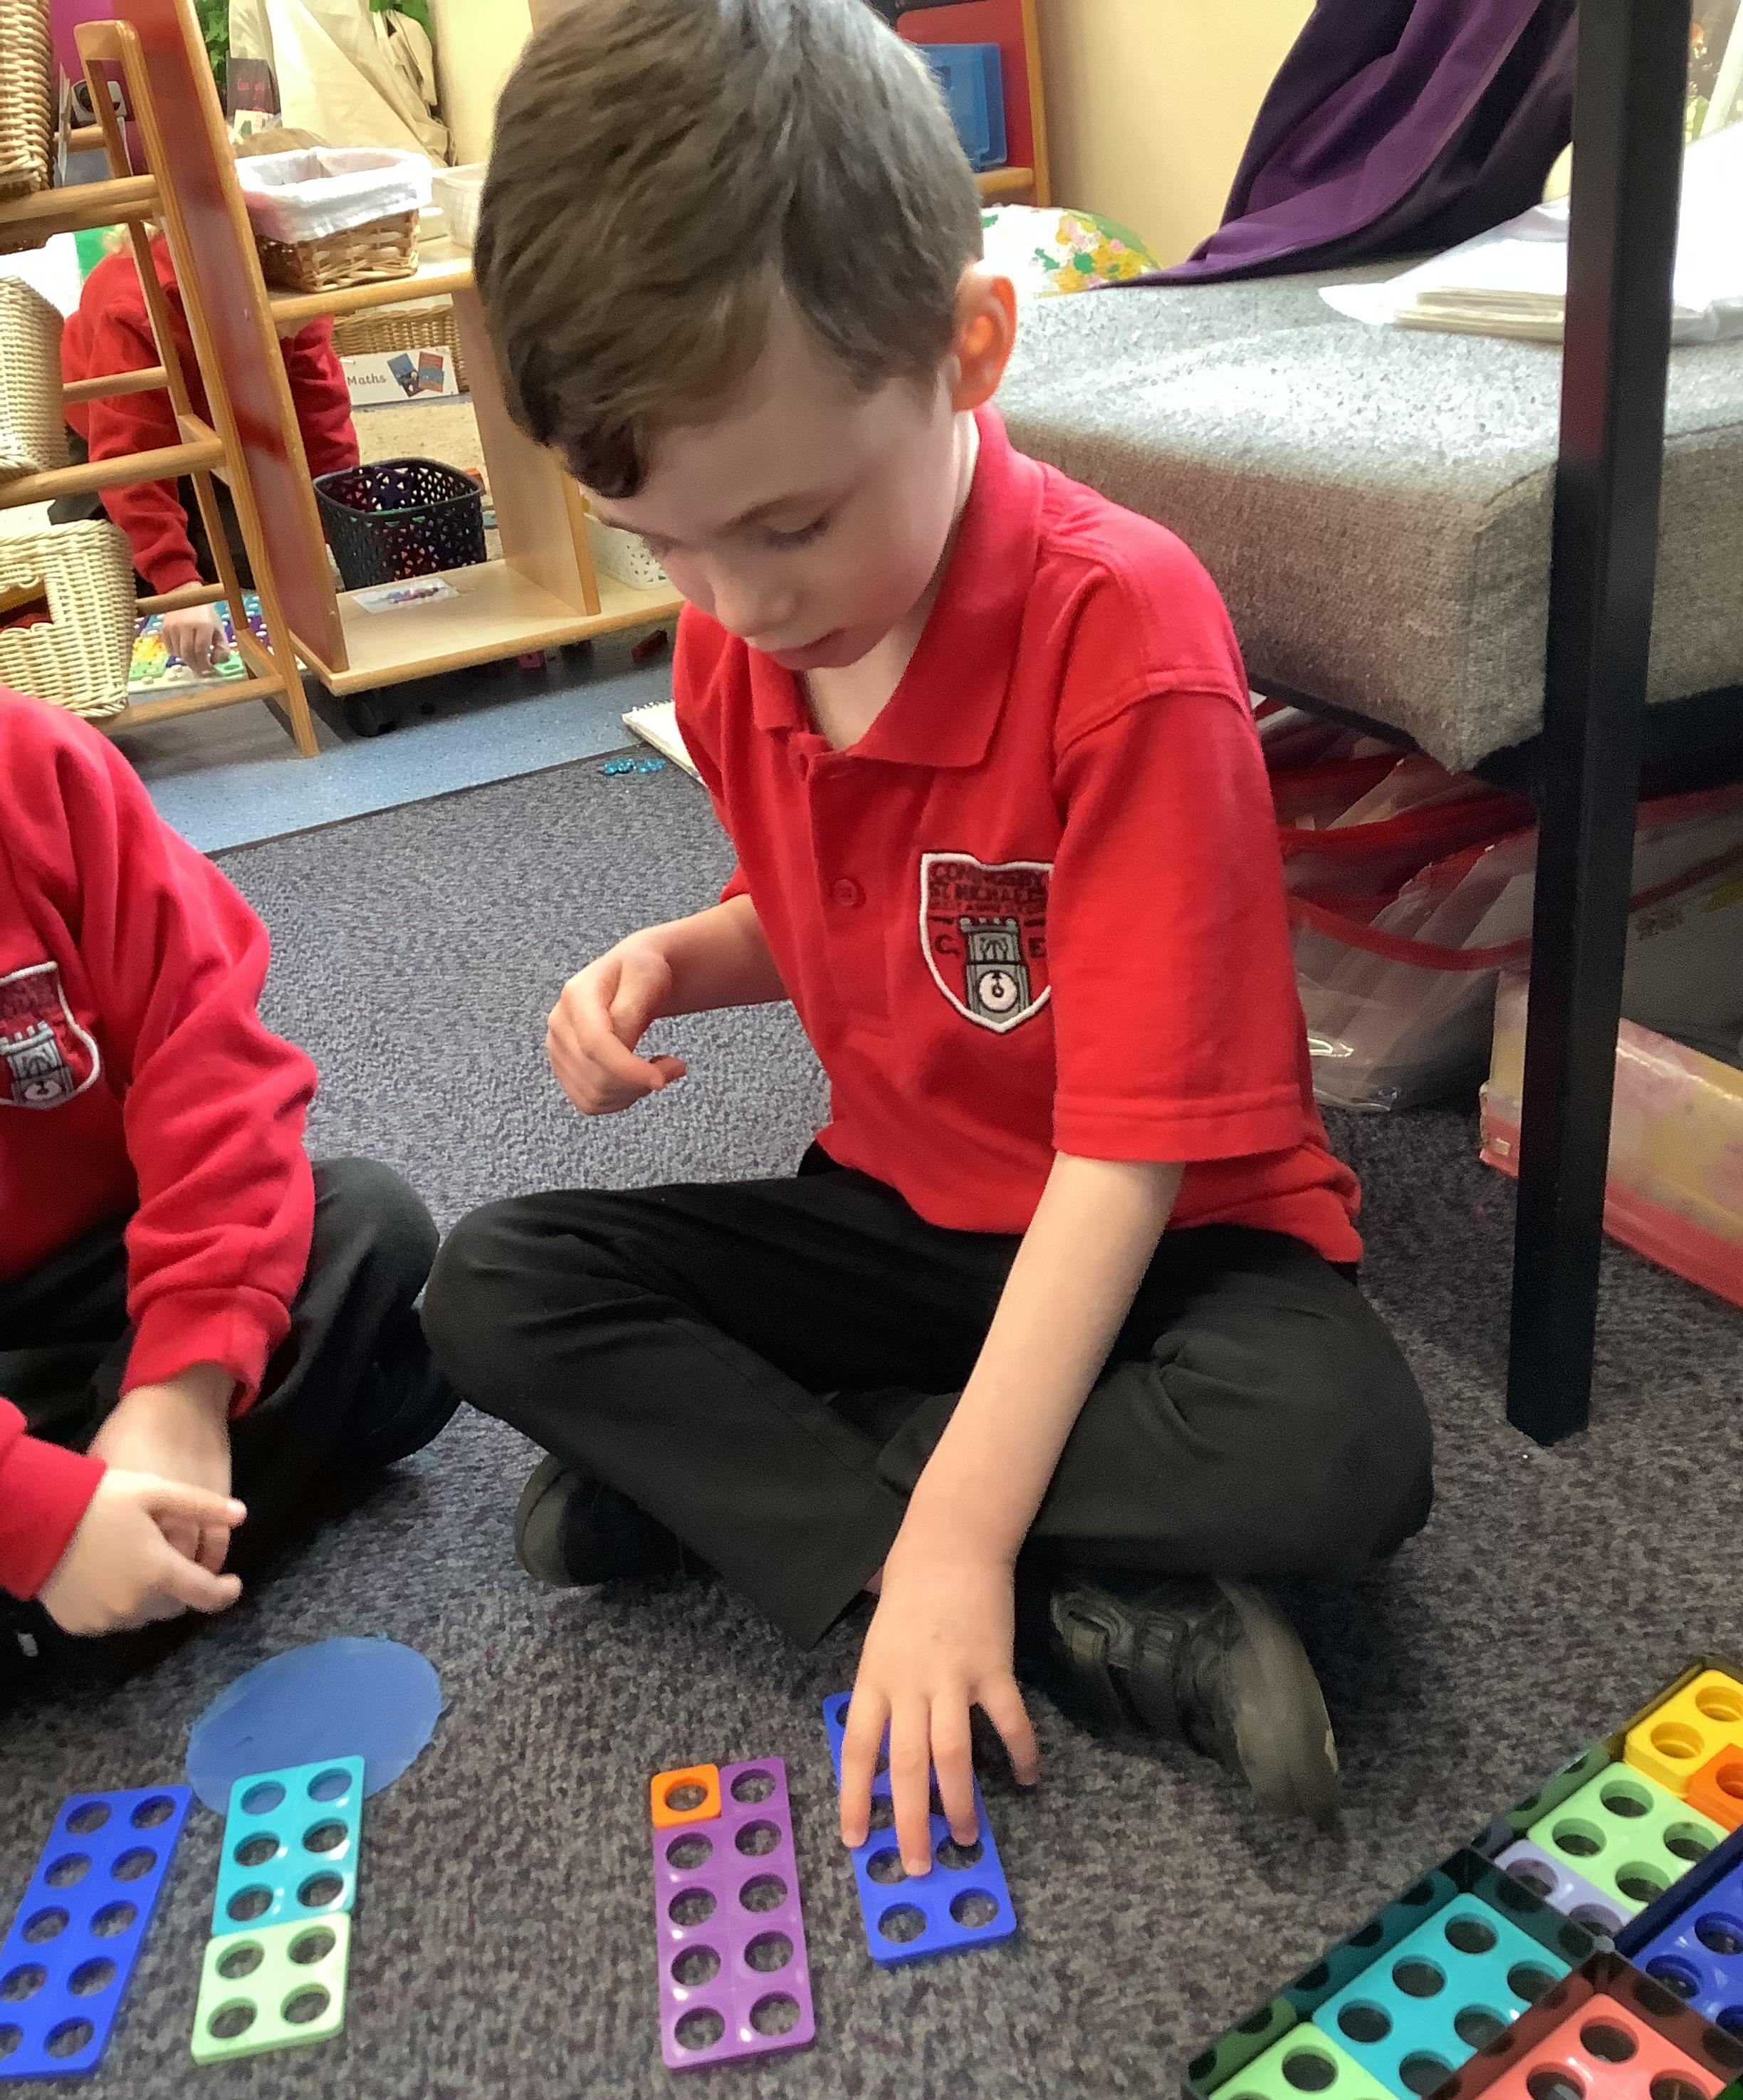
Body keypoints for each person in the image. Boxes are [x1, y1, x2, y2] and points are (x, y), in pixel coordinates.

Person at [422, 0, 1433, 1861]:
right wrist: (684, 959)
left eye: (788, 524)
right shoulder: (741, 642)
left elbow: (1128, 1158)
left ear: (968, 350)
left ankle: (803, 1486)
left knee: (1338, 1453)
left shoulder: (1126, 642)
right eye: (661, 543)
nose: (733, 601)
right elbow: (846, 909)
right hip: (901, 1215)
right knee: (492, 1285)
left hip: (1168, 1242)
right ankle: (1065, 1589)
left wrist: (962, 1535)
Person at [0, 690, 456, 1698]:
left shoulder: (33, 768)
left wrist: (183, 1383)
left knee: (368, 1220)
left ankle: (112, 1564)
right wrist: (33, 1511)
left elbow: (211, 1070)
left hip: (107, 1270)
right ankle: (85, 1598)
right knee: (392, 1384)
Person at [56, 227, 357, 675]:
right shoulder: (136, 306)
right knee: (109, 590)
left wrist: (342, 532)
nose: (298, 330)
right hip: (107, 431)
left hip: (220, 423)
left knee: (256, 568)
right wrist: (179, 587)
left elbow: (321, 424)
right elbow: (130, 457)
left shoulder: (293, 282)